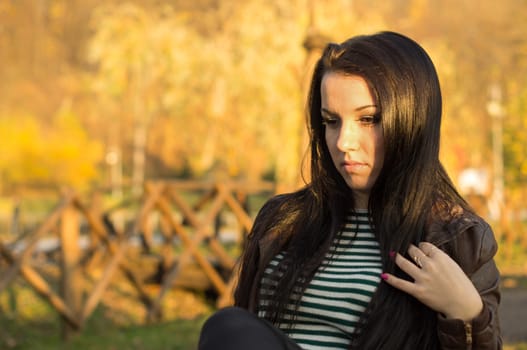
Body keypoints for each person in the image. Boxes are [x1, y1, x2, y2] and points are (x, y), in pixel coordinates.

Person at [198, 31, 501, 349]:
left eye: (368, 119)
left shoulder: (458, 238)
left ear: (413, 120)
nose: (343, 142)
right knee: (229, 327)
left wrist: (466, 314)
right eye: (331, 121)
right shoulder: (282, 221)